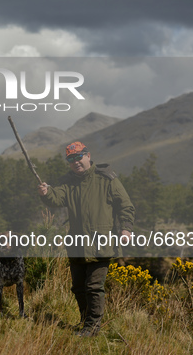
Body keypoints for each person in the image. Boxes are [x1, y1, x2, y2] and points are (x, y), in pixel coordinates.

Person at [37, 141, 135, 337]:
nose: (76, 162)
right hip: (77, 245)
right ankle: (85, 322)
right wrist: (46, 193)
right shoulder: (68, 182)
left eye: (79, 157)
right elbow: (56, 198)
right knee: (78, 287)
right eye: (71, 159)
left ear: (88, 156)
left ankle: (92, 328)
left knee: (93, 287)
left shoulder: (107, 179)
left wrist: (126, 229)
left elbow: (125, 206)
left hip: (101, 244)